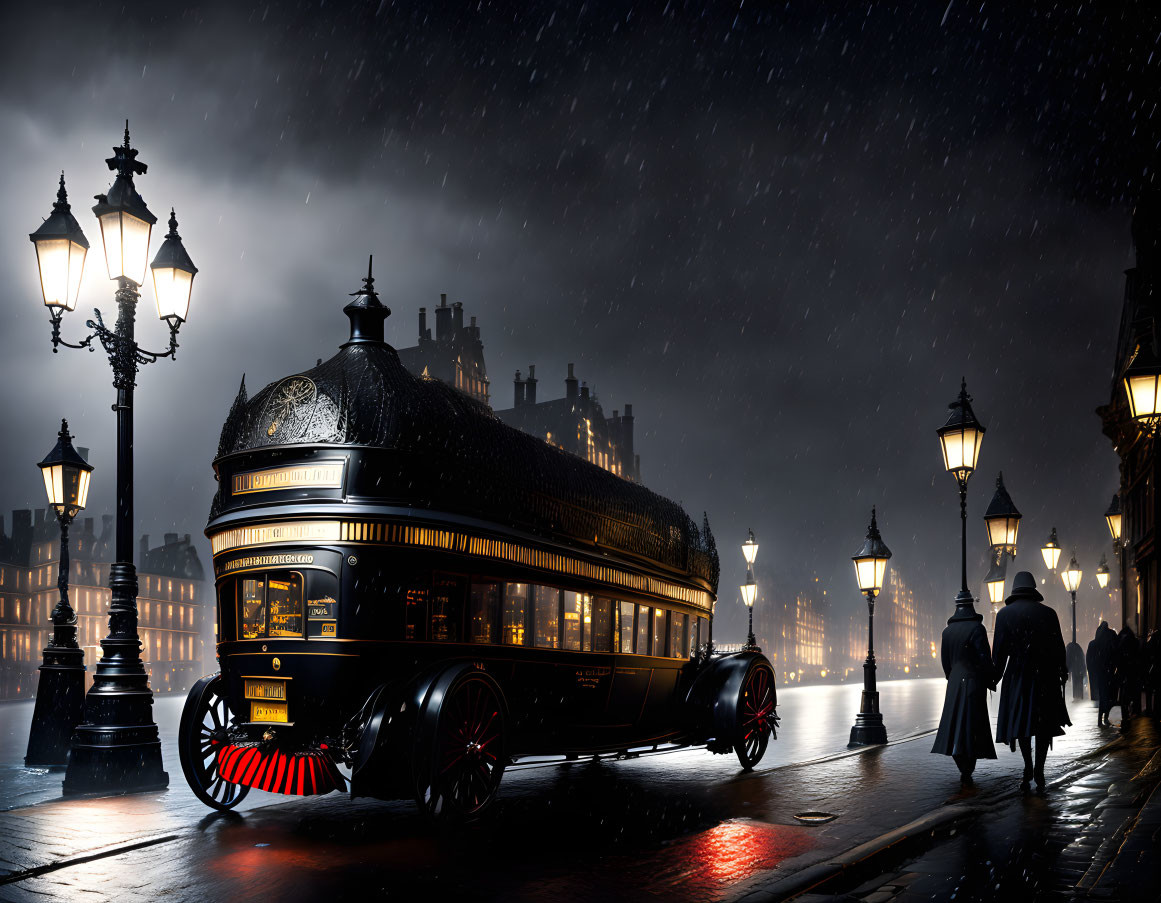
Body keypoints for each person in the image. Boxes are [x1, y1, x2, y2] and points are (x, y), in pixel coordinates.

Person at [992, 571, 1070, 792]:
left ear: (1015, 590)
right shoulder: (1049, 613)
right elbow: (1058, 647)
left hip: (1017, 675)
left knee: (1022, 725)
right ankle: (1040, 769)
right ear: (1034, 588)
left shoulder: (1004, 615)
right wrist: (1062, 672)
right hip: (1044, 674)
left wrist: (994, 677)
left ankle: (1027, 766)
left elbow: (999, 653)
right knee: (1043, 724)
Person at [931, 597, 996, 785]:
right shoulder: (977, 629)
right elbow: (984, 657)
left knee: (954, 725)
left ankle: (962, 765)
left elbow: (945, 661)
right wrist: (991, 676)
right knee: (971, 725)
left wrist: (952, 678)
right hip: (973, 681)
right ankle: (968, 767)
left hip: (954, 682)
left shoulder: (947, 632)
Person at [1089, 622, 1119, 727]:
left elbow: (1090, 661)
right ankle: (1105, 718)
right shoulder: (1110, 640)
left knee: (1103, 697)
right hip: (1108, 673)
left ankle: (1101, 719)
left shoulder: (1094, 644)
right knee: (1108, 697)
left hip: (1101, 674)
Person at [1117, 626, 1143, 725]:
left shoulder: (1121, 642)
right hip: (1133, 672)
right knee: (1133, 693)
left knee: (1124, 696)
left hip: (1125, 673)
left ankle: (1125, 714)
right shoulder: (1135, 642)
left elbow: (1119, 658)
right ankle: (1133, 711)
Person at [1146, 629, 1161, 715]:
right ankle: (1156, 708)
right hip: (1156, 667)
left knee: (1150, 689)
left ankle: (1150, 709)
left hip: (1153, 667)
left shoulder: (1153, 638)